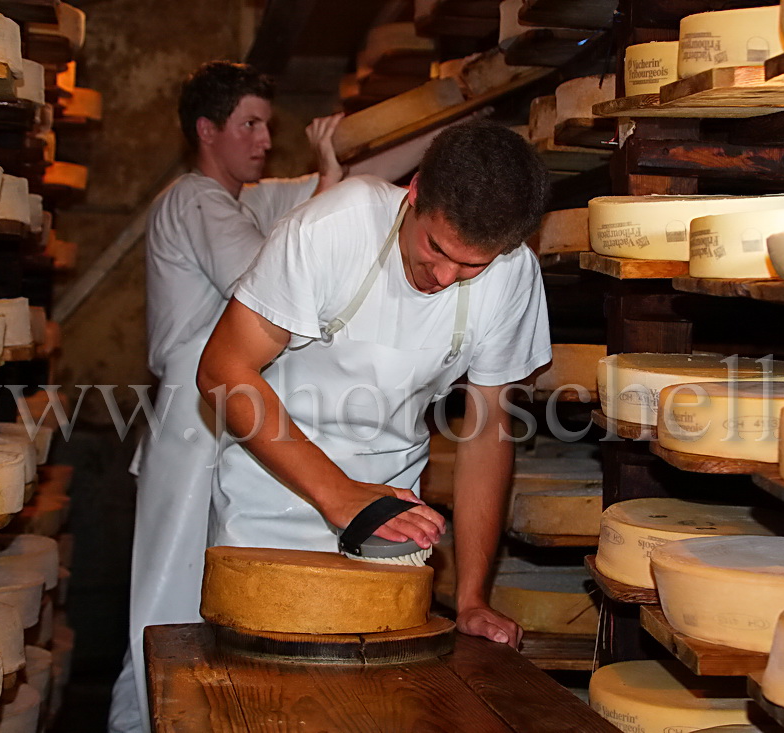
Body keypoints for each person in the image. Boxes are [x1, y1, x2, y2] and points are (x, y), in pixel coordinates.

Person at [197, 120, 551, 647]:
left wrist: (473, 597)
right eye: (437, 247)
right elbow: (223, 372)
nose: (447, 276)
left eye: (471, 265)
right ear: (413, 194)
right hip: (269, 501)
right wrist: (338, 495)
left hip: (390, 519)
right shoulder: (332, 229)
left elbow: (486, 434)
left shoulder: (513, 273)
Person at [108, 61, 344, 733]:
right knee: (169, 600)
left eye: (268, 124)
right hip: (193, 413)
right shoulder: (195, 198)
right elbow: (264, 277)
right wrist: (328, 177)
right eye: (250, 124)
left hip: (228, 411)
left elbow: (338, 182)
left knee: (212, 597)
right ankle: (140, 723)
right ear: (208, 131)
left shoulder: (247, 200)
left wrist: (453, 113)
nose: (265, 138)